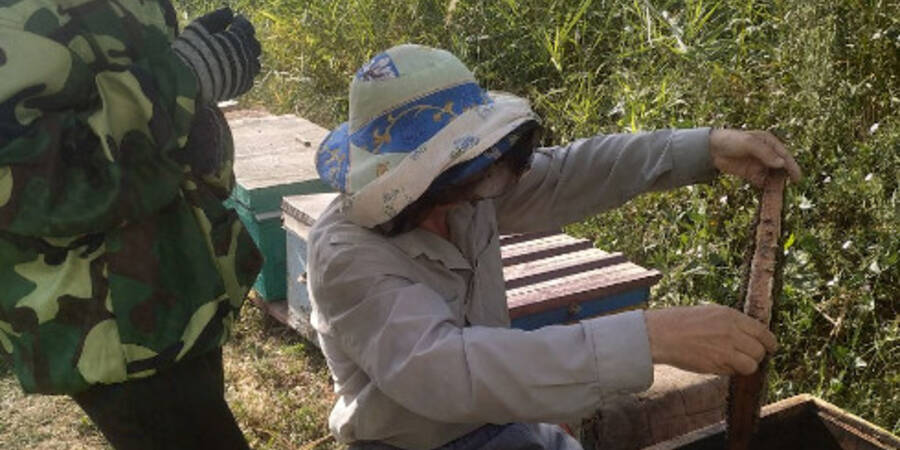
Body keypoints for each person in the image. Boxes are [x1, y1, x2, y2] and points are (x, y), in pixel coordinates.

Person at [308, 44, 803, 449]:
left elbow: (569, 173)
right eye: (468, 175)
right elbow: (447, 369)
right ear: (415, 179)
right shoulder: (346, 256)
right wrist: (651, 338)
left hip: (501, 420)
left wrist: (705, 147)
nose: (487, 185)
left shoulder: (463, 194)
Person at [0, 2, 262, 449]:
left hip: (174, 291)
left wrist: (197, 102)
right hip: (112, 322)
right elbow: (24, 182)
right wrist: (185, 77)